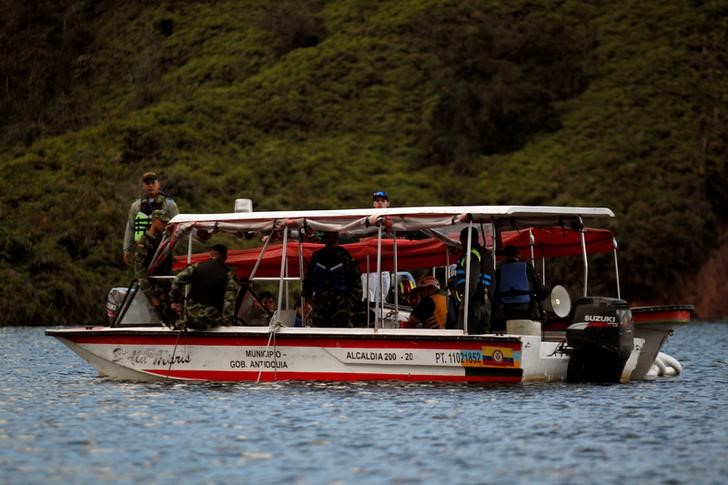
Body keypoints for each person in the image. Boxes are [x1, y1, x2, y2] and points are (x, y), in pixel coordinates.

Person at [169, 244, 238, 330]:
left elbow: (178, 279)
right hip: (210, 319)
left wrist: (175, 301)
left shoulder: (197, 267)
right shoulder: (229, 274)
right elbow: (229, 300)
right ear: (225, 257)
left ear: (211, 254)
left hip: (190, 316)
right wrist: (226, 322)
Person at [302, 231, 362, 327]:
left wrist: (349, 302)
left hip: (341, 304)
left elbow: (356, 281)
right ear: (325, 238)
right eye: (328, 237)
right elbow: (308, 279)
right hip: (320, 304)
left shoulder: (345, 256)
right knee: (318, 333)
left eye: (332, 237)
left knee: (342, 332)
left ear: (337, 238)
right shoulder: (317, 256)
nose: (330, 240)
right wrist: (308, 298)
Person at [123, 171, 178, 266]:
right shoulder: (136, 206)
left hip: (163, 249)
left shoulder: (169, 204)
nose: (150, 186)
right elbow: (131, 227)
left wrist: (171, 248)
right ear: (143, 186)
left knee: (164, 278)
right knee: (142, 279)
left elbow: (178, 228)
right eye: (147, 183)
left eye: (153, 183)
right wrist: (127, 249)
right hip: (143, 251)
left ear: (158, 185)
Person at [133, 209, 174, 323]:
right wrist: (151, 296)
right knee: (156, 319)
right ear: (154, 221)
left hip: (165, 287)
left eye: (166, 223)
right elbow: (139, 269)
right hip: (154, 289)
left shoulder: (162, 240)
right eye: (162, 222)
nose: (165, 225)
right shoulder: (145, 241)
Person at [495, 245, 549, 323]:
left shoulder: (499, 272)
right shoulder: (528, 268)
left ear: (504, 256)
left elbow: (495, 292)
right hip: (527, 312)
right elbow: (542, 291)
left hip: (506, 313)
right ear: (518, 256)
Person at [455, 227, 494, 334]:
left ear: (465, 240)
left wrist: (464, 301)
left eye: (462, 241)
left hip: (473, 302)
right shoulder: (487, 255)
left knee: (465, 336)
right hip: (486, 302)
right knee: (483, 337)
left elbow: (472, 279)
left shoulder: (472, 254)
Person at [362, 190, 392, 303]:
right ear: (373, 204)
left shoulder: (393, 220)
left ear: (387, 204)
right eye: (377, 201)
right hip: (370, 265)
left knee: (383, 299)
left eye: (383, 200)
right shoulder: (367, 219)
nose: (379, 203)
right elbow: (362, 241)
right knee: (369, 298)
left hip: (385, 265)